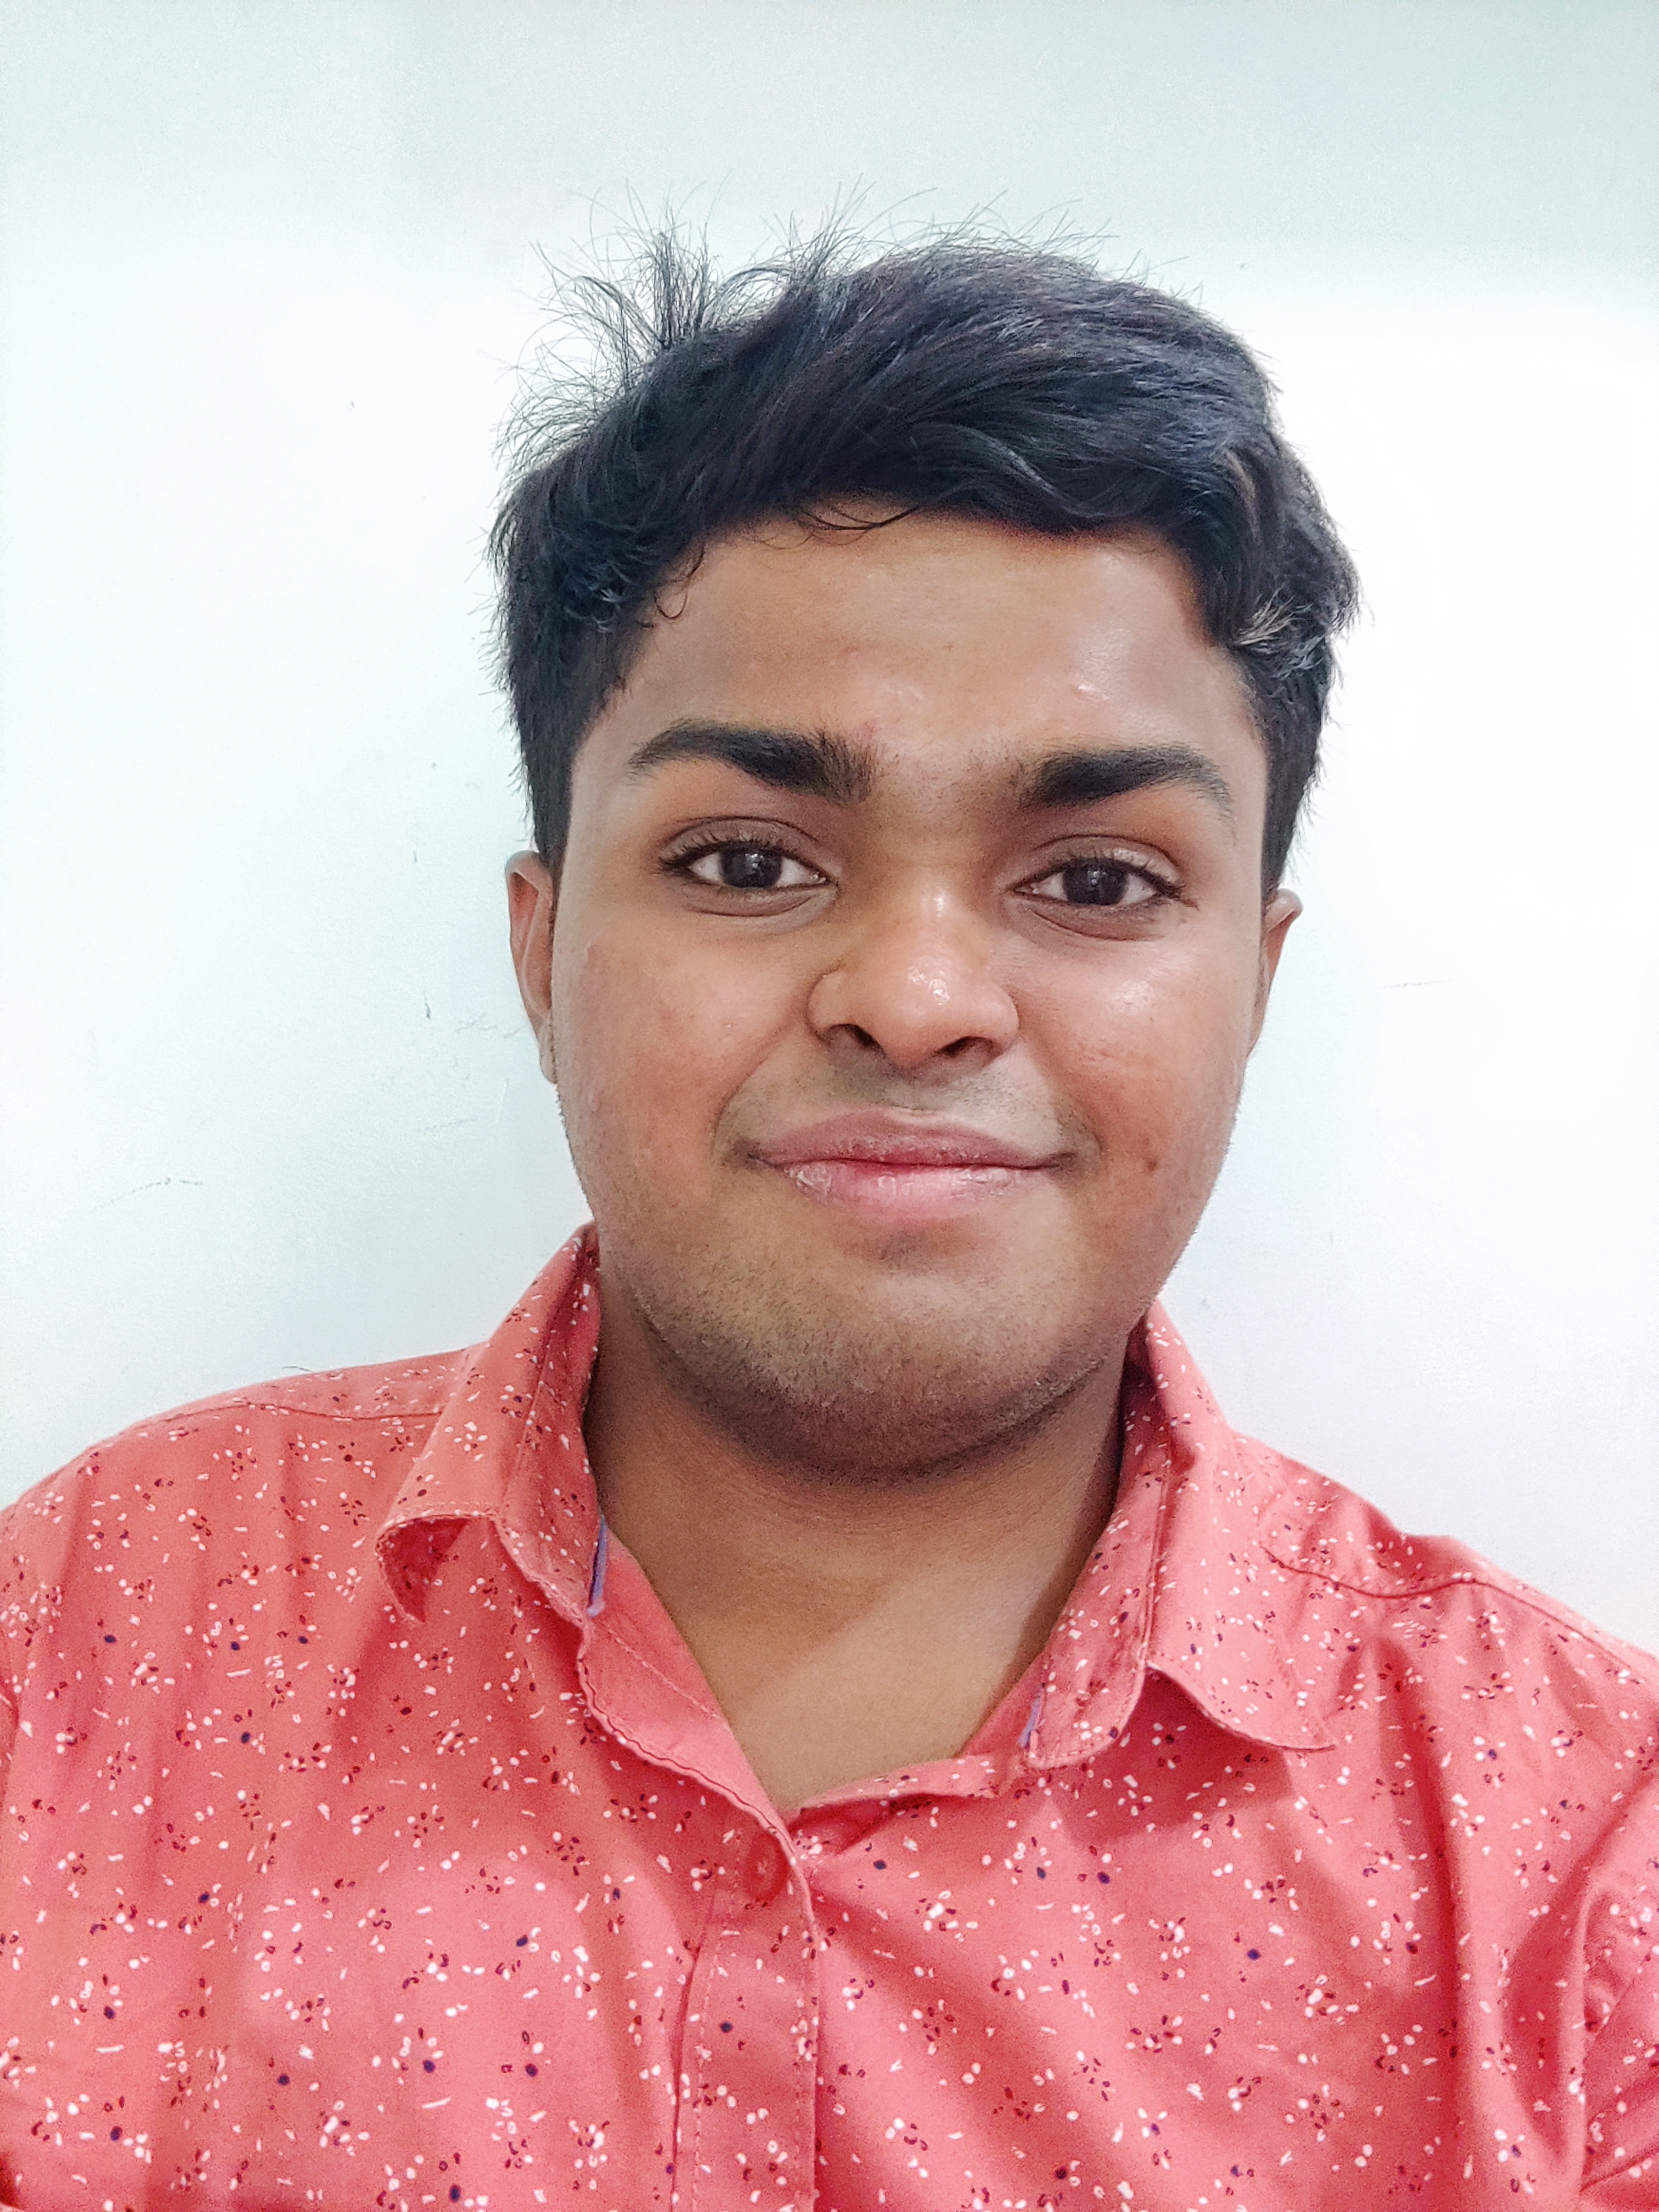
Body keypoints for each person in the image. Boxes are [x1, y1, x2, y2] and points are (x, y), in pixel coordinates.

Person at [0, 228, 1654, 2212]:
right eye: (749, 861)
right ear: (542, 955)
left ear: (1256, 984)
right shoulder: (82, 1640)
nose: (918, 997)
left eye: (1100, 881)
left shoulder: (1584, 1873)